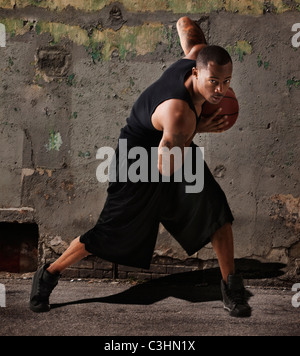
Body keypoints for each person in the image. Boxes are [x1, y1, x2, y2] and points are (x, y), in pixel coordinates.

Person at [30, 17, 251, 317]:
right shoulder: (179, 115)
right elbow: (165, 169)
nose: (221, 90)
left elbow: (185, 25)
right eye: (214, 81)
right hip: (139, 158)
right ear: (196, 72)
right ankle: (48, 273)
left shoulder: (197, 55)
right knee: (108, 234)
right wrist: (198, 128)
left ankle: (231, 286)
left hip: (172, 146)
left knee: (217, 214)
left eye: (226, 81)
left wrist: (193, 128)